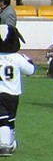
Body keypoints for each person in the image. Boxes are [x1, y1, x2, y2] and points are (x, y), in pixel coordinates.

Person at [0, 23, 35, 156]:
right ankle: (8, 142)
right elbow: (31, 70)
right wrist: (29, 61)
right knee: (9, 119)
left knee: (4, 120)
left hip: (2, 92)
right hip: (13, 94)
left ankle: (5, 145)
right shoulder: (18, 58)